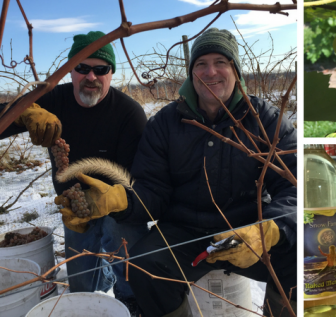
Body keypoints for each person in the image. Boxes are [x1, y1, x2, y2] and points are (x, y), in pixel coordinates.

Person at [55, 28, 297, 317]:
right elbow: (152, 190)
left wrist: (270, 230)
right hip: (183, 231)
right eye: (201, 64)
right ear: (191, 73)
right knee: (146, 268)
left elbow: (294, 185)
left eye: (221, 62)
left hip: (247, 230)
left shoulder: (265, 120)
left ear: (235, 70)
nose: (210, 72)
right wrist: (122, 201)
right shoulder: (166, 124)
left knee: (301, 259)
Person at [0, 31, 148, 310]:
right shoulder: (52, 99)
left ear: (111, 73)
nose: (90, 76)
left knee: (129, 267)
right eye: (82, 68)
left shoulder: (129, 114)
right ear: (70, 71)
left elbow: (142, 181)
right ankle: (92, 289)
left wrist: (116, 203)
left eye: (100, 69)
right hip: (73, 203)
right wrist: (21, 111)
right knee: (81, 285)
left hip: (120, 206)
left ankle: (131, 302)